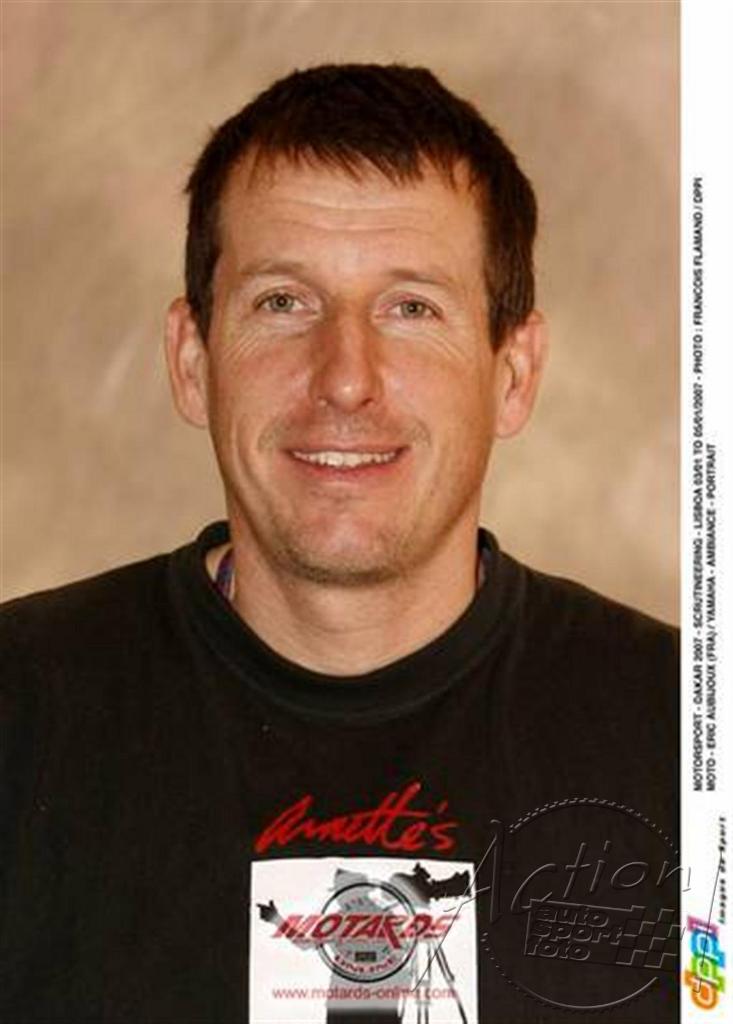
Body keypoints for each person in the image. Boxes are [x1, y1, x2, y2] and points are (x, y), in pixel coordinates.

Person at [1, 64, 678, 1023]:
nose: (346, 378)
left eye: (412, 308)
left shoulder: (692, 740)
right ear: (191, 361)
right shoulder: (21, 709)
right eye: (283, 302)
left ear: (512, 374)